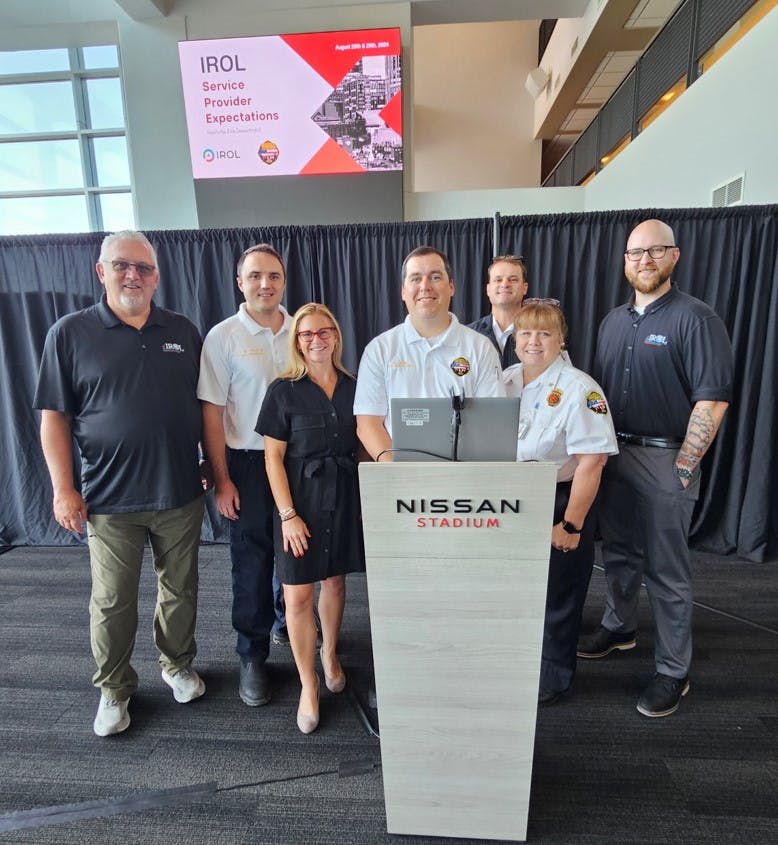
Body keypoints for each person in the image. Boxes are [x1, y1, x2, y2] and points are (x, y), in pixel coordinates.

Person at [33, 230, 206, 737]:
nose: (133, 275)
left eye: (144, 268)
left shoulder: (183, 330)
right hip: (108, 498)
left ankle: (176, 664)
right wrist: (64, 489)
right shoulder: (69, 333)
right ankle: (113, 689)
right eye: (122, 265)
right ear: (101, 270)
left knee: (181, 590)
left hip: (179, 490)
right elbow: (55, 419)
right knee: (113, 600)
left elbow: (206, 408)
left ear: (157, 276)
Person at [577, 219, 733, 718]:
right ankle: (620, 627)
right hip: (614, 454)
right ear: (625, 262)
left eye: (655, 251)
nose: (644, 260)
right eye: (635, 253)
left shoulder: (696, 318)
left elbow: (712, 401)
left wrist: (685, 468)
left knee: (667, 571)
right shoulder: (612, 321)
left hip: (667, 460)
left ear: (675, 256)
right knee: (620, 553)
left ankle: (672, 671)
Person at [256, 303, 365, 734]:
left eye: (324, 332)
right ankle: (307, 682)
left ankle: (330, 653)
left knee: (335, 582)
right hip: (298, 503)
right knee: (298, 596)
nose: (316, 340)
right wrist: (288, 516)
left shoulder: (356, 385)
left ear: (336, 336)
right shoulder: (282, 390)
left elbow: (364, 443)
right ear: (296, 342)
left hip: (344, 497)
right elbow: (272, 459)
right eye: (307, 335)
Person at [503, 301, 617, 706]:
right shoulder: (505, 381)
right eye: (526, 333)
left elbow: (593, 461)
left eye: (544, 333)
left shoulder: (581, 388)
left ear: (561, 339)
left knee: (558, 596)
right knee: (517, 592)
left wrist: (571, 525)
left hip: (559, 501)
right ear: (515, 341)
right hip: (511, 499)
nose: (534, 342)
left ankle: (554, 675)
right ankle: (518, 663)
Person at [198, 243, 292, 708]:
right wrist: (223, 480)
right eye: (255, 276)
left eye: (273, 276)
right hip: (247, 464)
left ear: (283, 281)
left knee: (296, 552)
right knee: (252, 561)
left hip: (297, 463)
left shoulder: (303, 330)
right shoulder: (223, 337)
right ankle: (251, 654)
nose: (265, 284)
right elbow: (212, 414)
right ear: (240, 283)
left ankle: (285, 624)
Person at [355, 245, 505, 459]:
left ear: (451, 286)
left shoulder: (480, 349)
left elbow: (492, 422)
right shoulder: (379, 350)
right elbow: (368, 424)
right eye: (415, 279)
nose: (425, 286)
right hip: (400, 483)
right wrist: (402, 474)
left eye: (435, 277)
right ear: (403, 291)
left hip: (465, 481)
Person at [468, 254, 528, 369]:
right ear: (488, 289)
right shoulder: (468, 335)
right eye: (498, 280)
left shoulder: (539, 337)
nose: (505, 284)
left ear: (525, 288)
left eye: (513, 279)